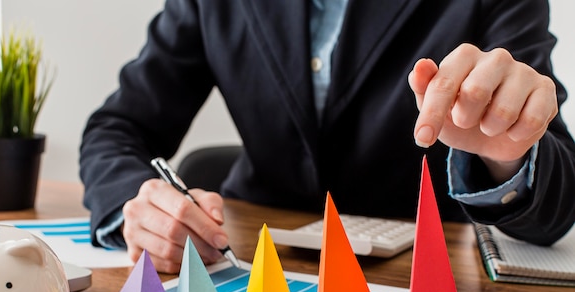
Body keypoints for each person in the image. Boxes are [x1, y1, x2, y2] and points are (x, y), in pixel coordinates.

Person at [80, 0, 575, 273]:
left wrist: (510, 160)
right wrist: (137, 206)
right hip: (249, 262)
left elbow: (560, 201)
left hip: (423, 275)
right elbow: (116, 127)